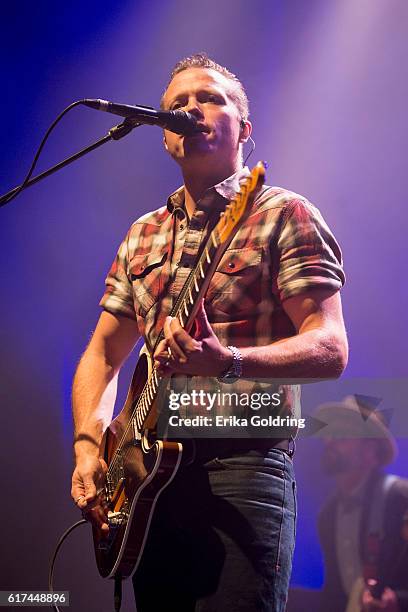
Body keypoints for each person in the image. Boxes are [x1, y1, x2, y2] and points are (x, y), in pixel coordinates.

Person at [70, 53, 348, 611]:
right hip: (148, 480)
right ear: (165, 136)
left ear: (243, 129)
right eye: (176, 105)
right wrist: (86, 447)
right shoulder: (143, 233)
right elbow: (103, 350)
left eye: (209, 98)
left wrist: (230, 362)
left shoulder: (282, 213)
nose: (189, 109)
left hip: (244, 467)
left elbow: (330, 347)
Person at [317, 395, 408, 612]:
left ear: (371, 451)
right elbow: (335, 591)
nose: (330, 442)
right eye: (329, 435)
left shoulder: (401, 499)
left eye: (342, 435)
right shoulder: (327, 515)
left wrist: (399, 601)